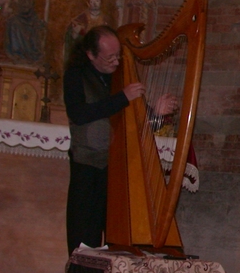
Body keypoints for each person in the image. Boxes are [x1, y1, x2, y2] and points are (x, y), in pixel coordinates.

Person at [63, 25, 177, 255]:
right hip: (88, 164)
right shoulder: (76, 75)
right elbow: (79, 114)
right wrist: (123, 97)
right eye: (109, 58)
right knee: (84, 234)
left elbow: (137, 123)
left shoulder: (123, 74)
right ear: (90, 55)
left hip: (119, 166)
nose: (116, 62)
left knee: (118, 234)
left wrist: (155, 114)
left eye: (118, 55)